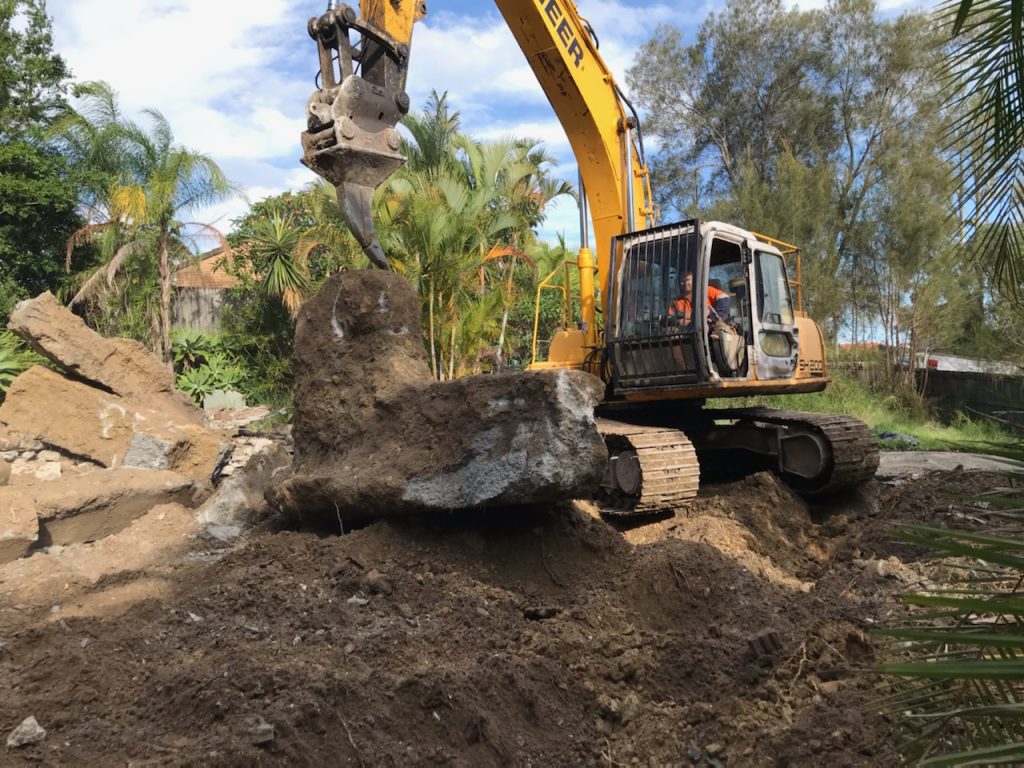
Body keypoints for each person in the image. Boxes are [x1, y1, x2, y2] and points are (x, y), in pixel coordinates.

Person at [666, 273, 730, 327]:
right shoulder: (677, 302)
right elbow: (666, 319)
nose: (685, 283)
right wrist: (678, 321)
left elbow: (725, 298)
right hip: (689, 334)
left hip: (711, 331)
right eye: (682, 281)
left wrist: (711, 316)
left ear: (694, 280)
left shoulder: (706, 290)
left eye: (687, 280)